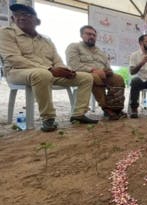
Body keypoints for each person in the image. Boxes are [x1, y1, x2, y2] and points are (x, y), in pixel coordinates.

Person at [0, 3, 97, 132]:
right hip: (17, 71)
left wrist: (66, 70)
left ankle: (78, 114)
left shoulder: (46, 40)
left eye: (27, 15)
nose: (21, 17)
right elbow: (13, 59)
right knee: (42, 74)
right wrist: (50, 69)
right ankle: (48, 118)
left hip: (49, 73)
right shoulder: (6, 33)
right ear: (13, 19)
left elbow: (57, 60)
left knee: (86, 77)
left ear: (37, 21)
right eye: (17, 15)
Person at [66, 25, 126, 120]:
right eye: (89, 34)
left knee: (118, 78)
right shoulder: (74, 47)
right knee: (95, 77)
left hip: (103, 75)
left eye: (94, 35)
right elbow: (73, 65)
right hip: (85, 75)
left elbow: (108, 67)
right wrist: (93, 70)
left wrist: (108, 71)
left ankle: (115, 108)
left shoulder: (100, 52)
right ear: (81, 35)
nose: (92, 37)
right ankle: (106, 108)